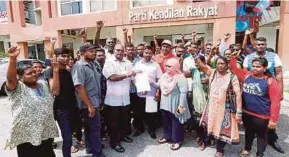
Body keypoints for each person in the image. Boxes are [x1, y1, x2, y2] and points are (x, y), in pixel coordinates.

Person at [4, 46, 59, 157]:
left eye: (34, 72)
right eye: (29, 73)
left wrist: (56, 71)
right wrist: (13, 59)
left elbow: (56, 91)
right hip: (27, 136)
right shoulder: (18, 88)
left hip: (45, 132)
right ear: (20, 78)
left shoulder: (43, 84)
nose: (34, 74)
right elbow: (10, 79)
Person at [230, 57, 281, 157]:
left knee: (262, 136)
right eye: (253, 66)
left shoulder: (270, 81)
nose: (254, 68)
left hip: (262, 116)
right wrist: (233, 57)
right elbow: (233, 68)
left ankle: (259, 154)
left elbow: (276, 102)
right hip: (247, 113)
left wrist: (273, 120)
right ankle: (247, 149)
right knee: (248, 132)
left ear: (265, 68)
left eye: (258, 67)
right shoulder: (247, 76)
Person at [243, 37, 284, 154]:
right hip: (254, 92)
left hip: (270, 90)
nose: (260, 46)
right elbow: (245, 75)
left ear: (266, 45)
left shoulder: (274, 56)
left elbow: (279, 75)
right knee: (251, 126)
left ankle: (271, 141)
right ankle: (248, 147)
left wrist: (280, 92)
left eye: (263, 44)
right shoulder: (249, 57)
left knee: (268, 123)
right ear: (254, 45)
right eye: (258, 44)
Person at [197, 56, 242, 157]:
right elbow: (201, 65)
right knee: (208, 126)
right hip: (211, 106)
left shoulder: (232, 77)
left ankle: (220, 149)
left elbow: (238, 94)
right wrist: (193, 53)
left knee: (222, 130)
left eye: (222, 64)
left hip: (225, 108)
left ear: (227, 65)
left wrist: (239, 112)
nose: (220, 66)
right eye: (218, 64)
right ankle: (206, 141)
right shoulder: (213, 73)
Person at [45, 48, 80, 156]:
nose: (66, 59)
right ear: (56, 57)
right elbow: (55, 91)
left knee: (73, 134)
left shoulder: (67, 70)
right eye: (63, 56)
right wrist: (55, 71)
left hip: (72, 107)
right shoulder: (51, 71)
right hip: (61, 110)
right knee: (67, 137)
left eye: (67, 56)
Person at [72, 44, 105, 157]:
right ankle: (98, 153)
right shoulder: (79, 66)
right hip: (88, 104)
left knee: (89, 127)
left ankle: (90, 148)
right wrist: (89, 106)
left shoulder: (92, 64)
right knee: (95, 128)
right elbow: (79, 87)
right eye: (91, 51)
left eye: (94, 51)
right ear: (83, 53)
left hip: (95, 101)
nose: (94, 53)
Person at [103, 44, 136, 153]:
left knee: (124, 120)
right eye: (118, 50)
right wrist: (127, 74)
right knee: (113, 123)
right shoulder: (109, 62)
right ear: (114, 51)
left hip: (125, 98)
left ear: (125, 51)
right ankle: (114, 143)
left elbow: (133, 78)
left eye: (122, 50)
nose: (120, 52)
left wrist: (141, 86)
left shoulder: (128, 63)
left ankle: (122, 136)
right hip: (113, 100)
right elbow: (112, 77)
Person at [158, 58, 191, 150]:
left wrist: (181, 108)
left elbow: (183, 93)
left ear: (176, 67)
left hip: (177, 104)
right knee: (166, 121)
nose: (167, 68)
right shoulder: (164, 76)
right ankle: (167, 136)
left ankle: (177, 140)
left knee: (177, 122)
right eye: (166, 66)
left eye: (170, 66)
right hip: (165, 103)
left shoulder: (180, 77)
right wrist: (148, 81)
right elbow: (159, 85)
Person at [133, 46, 163, 139]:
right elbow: (133, 78)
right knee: (139, 113)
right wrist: (138, 87)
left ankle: (151, 130)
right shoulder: (138, 64)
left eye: (150, 53)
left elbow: (160, 79)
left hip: (151, 93)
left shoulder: (156, 65)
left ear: (152, 54)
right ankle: (139, 129)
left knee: (151, 114)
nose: (148, 55)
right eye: (146, 52)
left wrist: (158, 92)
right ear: (143, 53)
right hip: (140, 93)